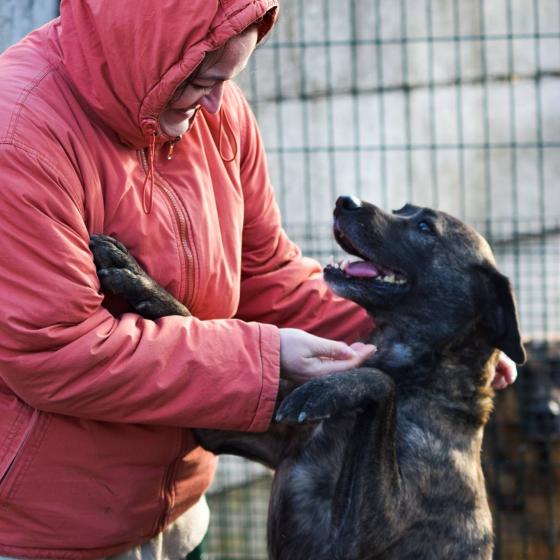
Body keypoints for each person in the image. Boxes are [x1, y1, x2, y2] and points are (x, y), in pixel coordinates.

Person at [0, 1, 516, 559]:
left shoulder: (216, 112)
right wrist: (266, 360)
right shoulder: (21, 134)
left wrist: (438, 338)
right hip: (45, 534)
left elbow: (265, 274)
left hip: (173, 516)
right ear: (153, 49)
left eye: (228, 80)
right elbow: (56, 351)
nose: (220, 103)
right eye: (203, 81)